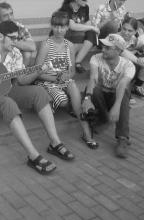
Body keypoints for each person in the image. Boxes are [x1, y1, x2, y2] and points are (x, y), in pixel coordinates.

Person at [0, 20, 75, 175]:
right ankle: (33, 155)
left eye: (18, 38)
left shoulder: (15, 53)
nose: (16, 42)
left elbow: (22, 80)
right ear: (1, 36)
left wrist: (40, 70)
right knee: (7, 103)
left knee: (39, 92)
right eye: (13, 38)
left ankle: (55, 143)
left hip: (5, 90)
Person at [35, 12, 98, 149]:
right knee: (63, 102)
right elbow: (37, 72)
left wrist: (66, 77)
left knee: (73, 87)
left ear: (67, 28)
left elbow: (72, 71)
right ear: (52, 26)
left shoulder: (69, 45)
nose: (59, 30)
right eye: (56, 26)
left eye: (62, 27)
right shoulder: (45, 45)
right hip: (47, 81)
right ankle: (54, 103)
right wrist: (56, 78)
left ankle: (87, 133)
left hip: (63, 80)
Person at [84, 34, 135, 158]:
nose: (103, 50)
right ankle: (103, 120)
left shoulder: (128, 65)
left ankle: (122, 139)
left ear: (118, 51)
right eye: (103, 46)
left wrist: (116, 106)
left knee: (123, 95)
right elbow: (93, 78)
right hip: (101, 95)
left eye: (107, 48)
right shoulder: (96, 58)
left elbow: (122, 86)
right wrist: (87, 98)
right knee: (93, 89)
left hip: (116, 95)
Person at [57, 0, 100, 73]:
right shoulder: (66, 8)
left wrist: (91, 28)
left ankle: (77, 61)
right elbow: (72, 26)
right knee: (82, 33)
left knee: (91, 34)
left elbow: (85, 24)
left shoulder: (85, 7)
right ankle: (67, 60)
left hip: (77, 34)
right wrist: (92, 27)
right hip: (64, 34)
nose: (87, 0)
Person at [117, 17, 144, 102]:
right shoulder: (115, 37)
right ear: (121, 27)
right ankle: (123, 89)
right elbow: (122, 51)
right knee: (126, 61)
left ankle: (137, 87)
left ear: (135, 32)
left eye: (130, 31)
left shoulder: (134, 40)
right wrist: (140, 63)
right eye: (124, 29)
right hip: (113, 69)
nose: (125, 33)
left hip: (127, 67)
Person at [0, 2, 36, 67]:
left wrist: (9, 40)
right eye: (5, 16)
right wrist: (16, 41)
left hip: (16, 55)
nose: (10, 18)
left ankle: (19, 75)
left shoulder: (20, 27)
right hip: (1, 56)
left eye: (11, 14)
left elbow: (32, 47)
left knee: (27, 54)